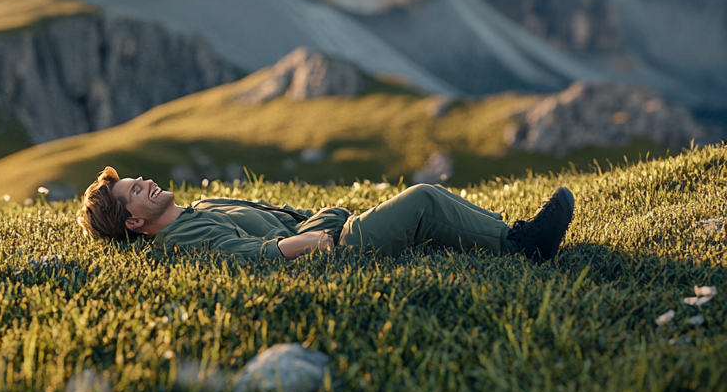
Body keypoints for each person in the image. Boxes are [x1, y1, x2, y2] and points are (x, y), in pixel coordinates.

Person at [77, 167, 575, 263]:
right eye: (133, 193)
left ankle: (513, 232)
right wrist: (313, 242)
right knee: (421, 199)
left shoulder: (199, 207)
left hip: (330, 226)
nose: (144, 182)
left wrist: (317, 216)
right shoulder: (183, 237)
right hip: (335, 250)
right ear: (135, 224)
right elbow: (251, 255)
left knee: (425, 203)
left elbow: (277, 215)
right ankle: (523, 247)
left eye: (136, 179)